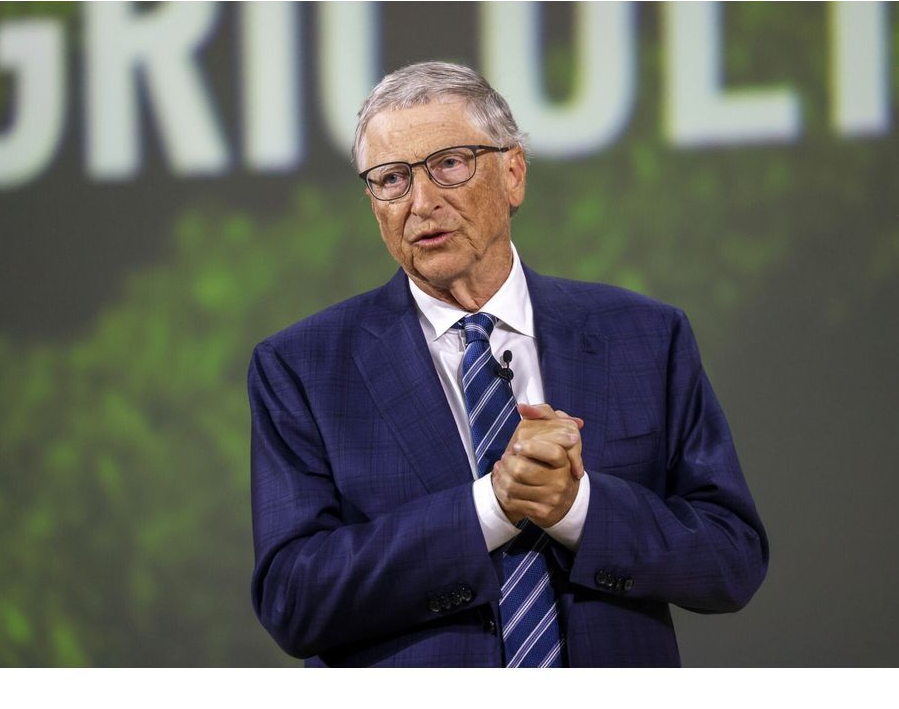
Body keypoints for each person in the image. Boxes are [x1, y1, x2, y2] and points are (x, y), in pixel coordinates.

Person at [248, 61, 768, 667]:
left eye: (448, 164)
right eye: (391, 179)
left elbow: (731, 560)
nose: (421, 203)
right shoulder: (303, 368)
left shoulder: (645, 336)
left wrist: (577, 509)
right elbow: (294, 599)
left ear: (514, 173)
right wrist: (492, 508)